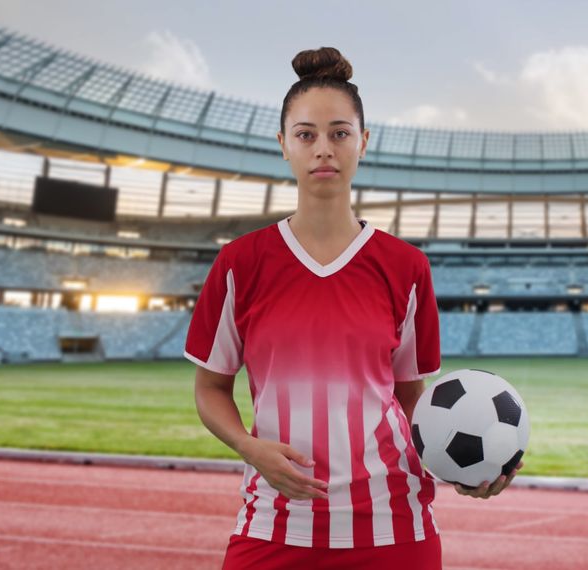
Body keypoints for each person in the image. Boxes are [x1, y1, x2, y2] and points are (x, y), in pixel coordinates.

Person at [186, 47, 523, 569]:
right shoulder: (239, 263)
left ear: (363, 142)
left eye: (340, 133)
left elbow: (414, 403)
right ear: (283, 145)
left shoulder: (406, 267)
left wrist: (460, 468)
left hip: (394, 527)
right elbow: (210, 389)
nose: (324, 148)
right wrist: (252, 450)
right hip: (275, 523)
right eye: (306, 134)